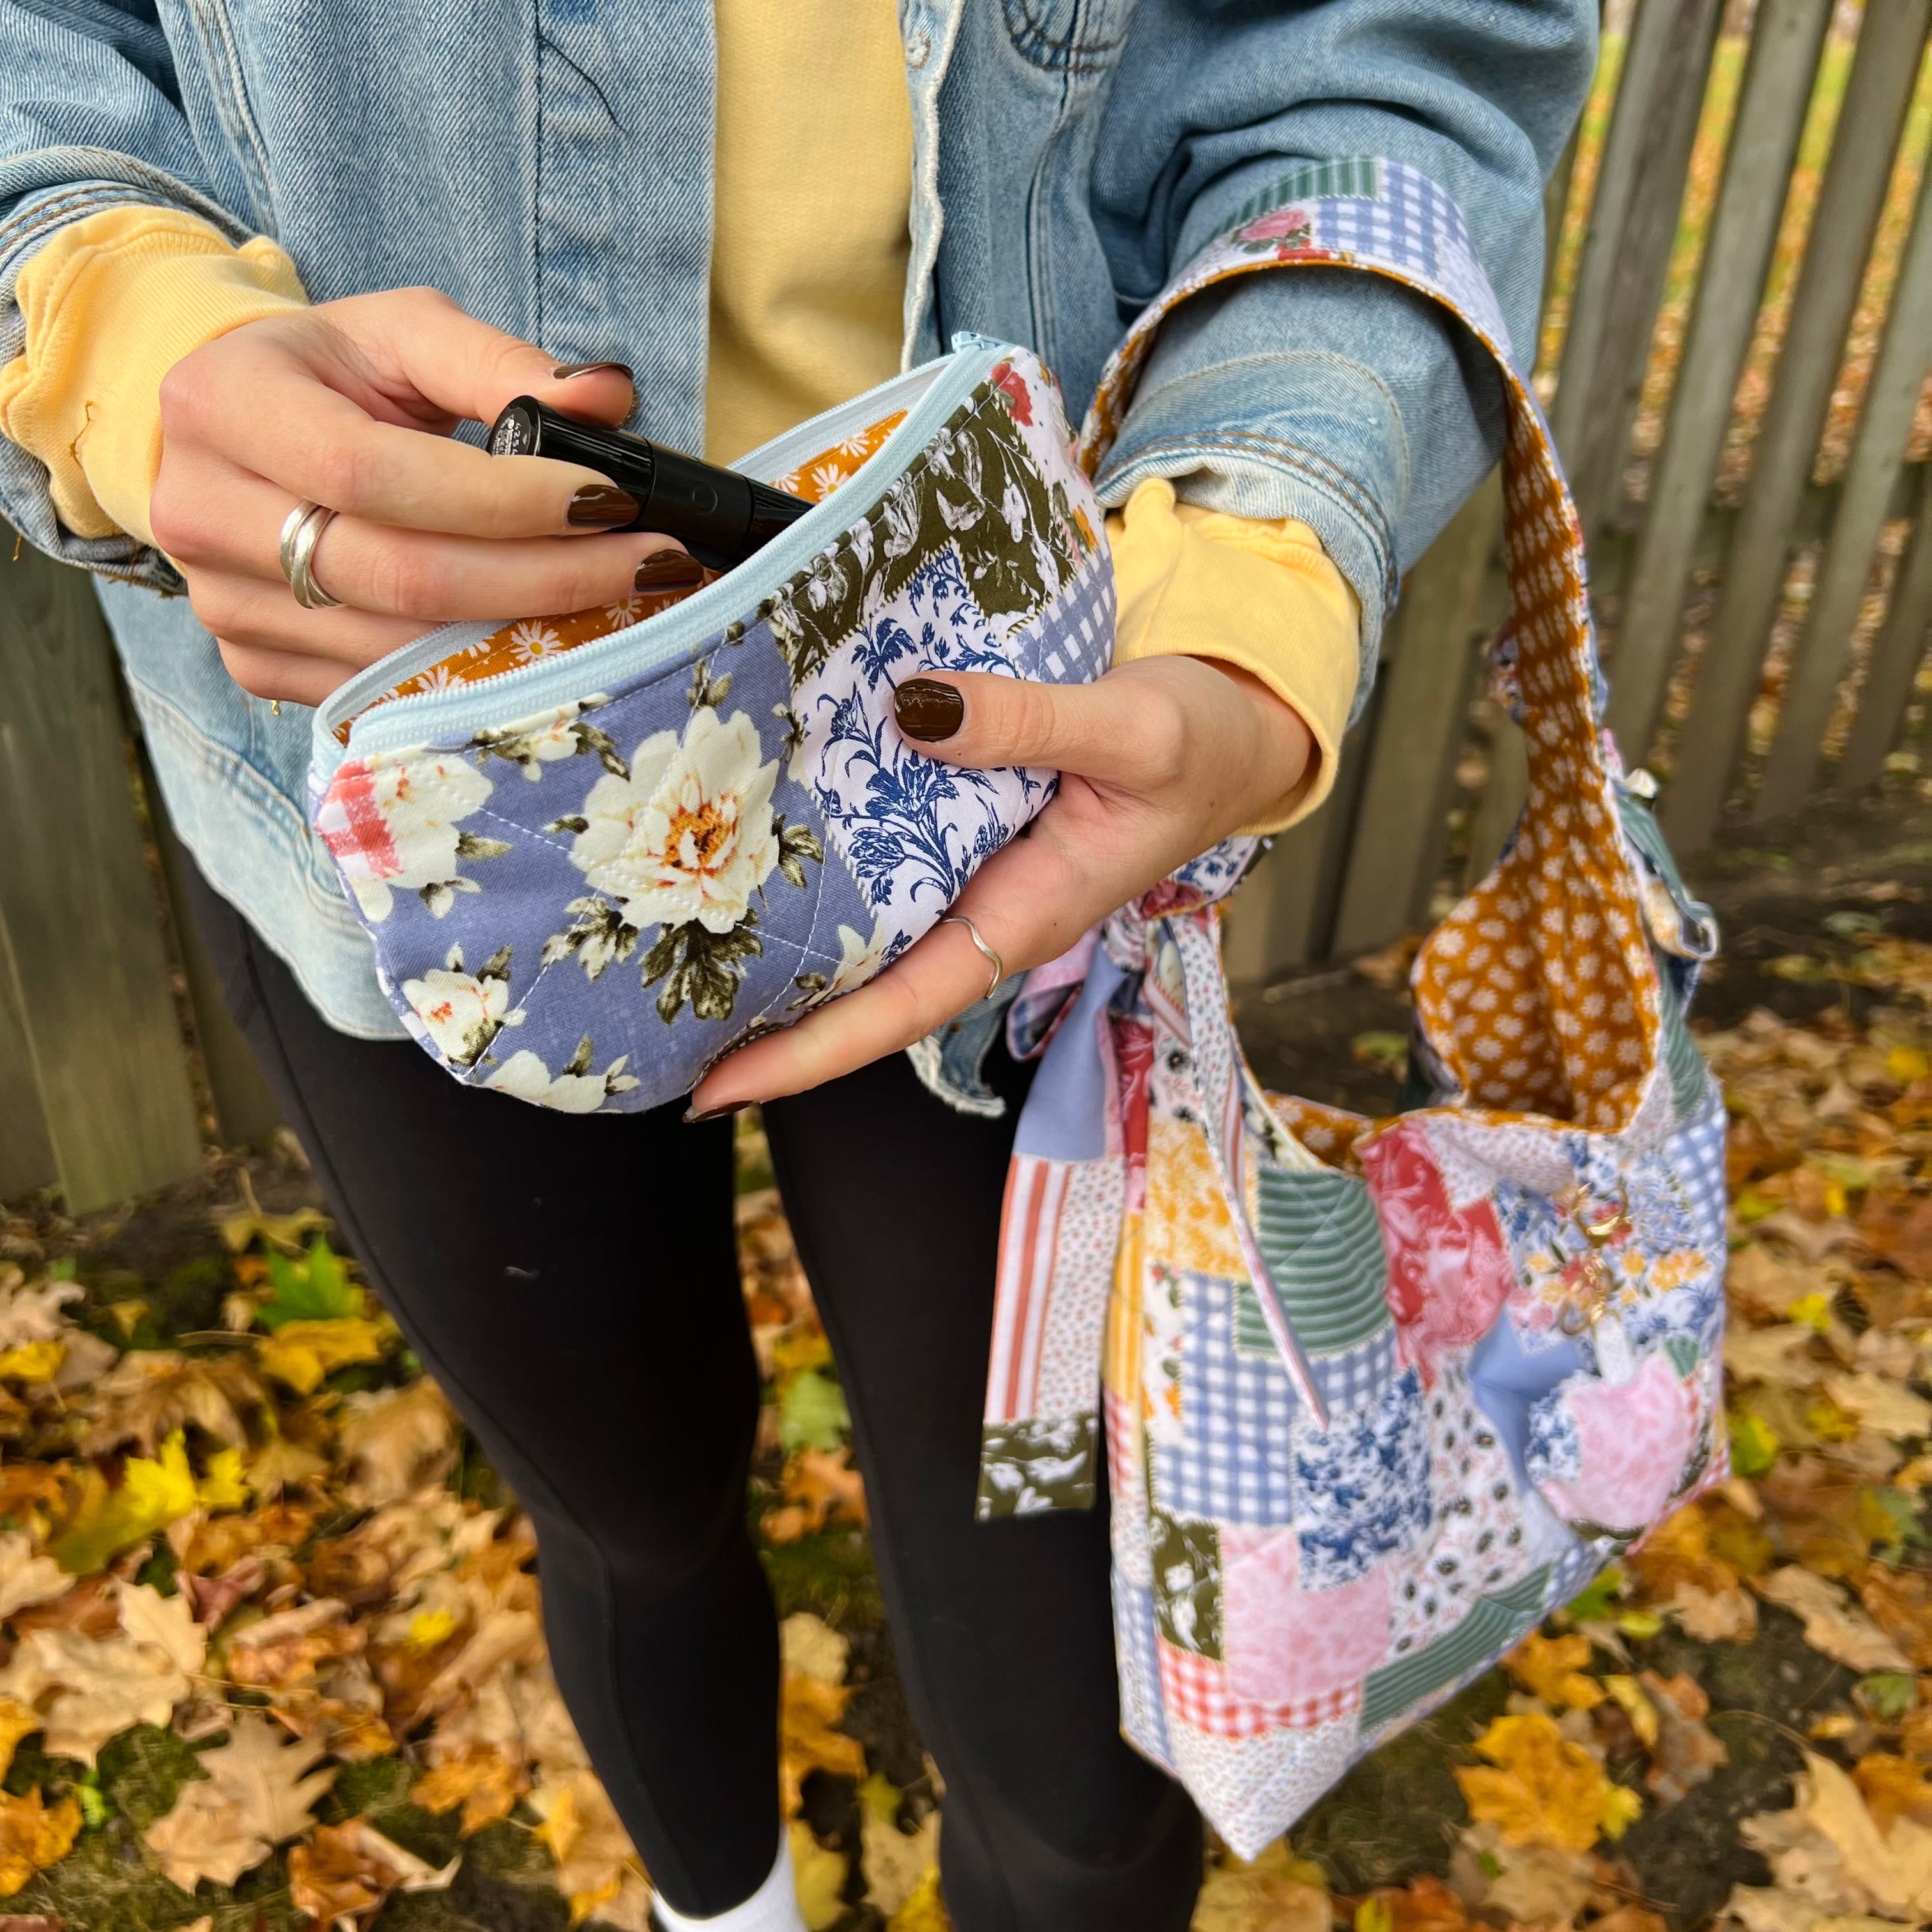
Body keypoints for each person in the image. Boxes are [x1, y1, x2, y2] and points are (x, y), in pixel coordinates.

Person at [0, 4, 1593, 1927]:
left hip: (1007, 769)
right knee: (631, 1516)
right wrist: (111, 322)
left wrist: (1262, 552)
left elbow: (1384, 62)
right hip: (428, 804)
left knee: (1077, 1751)